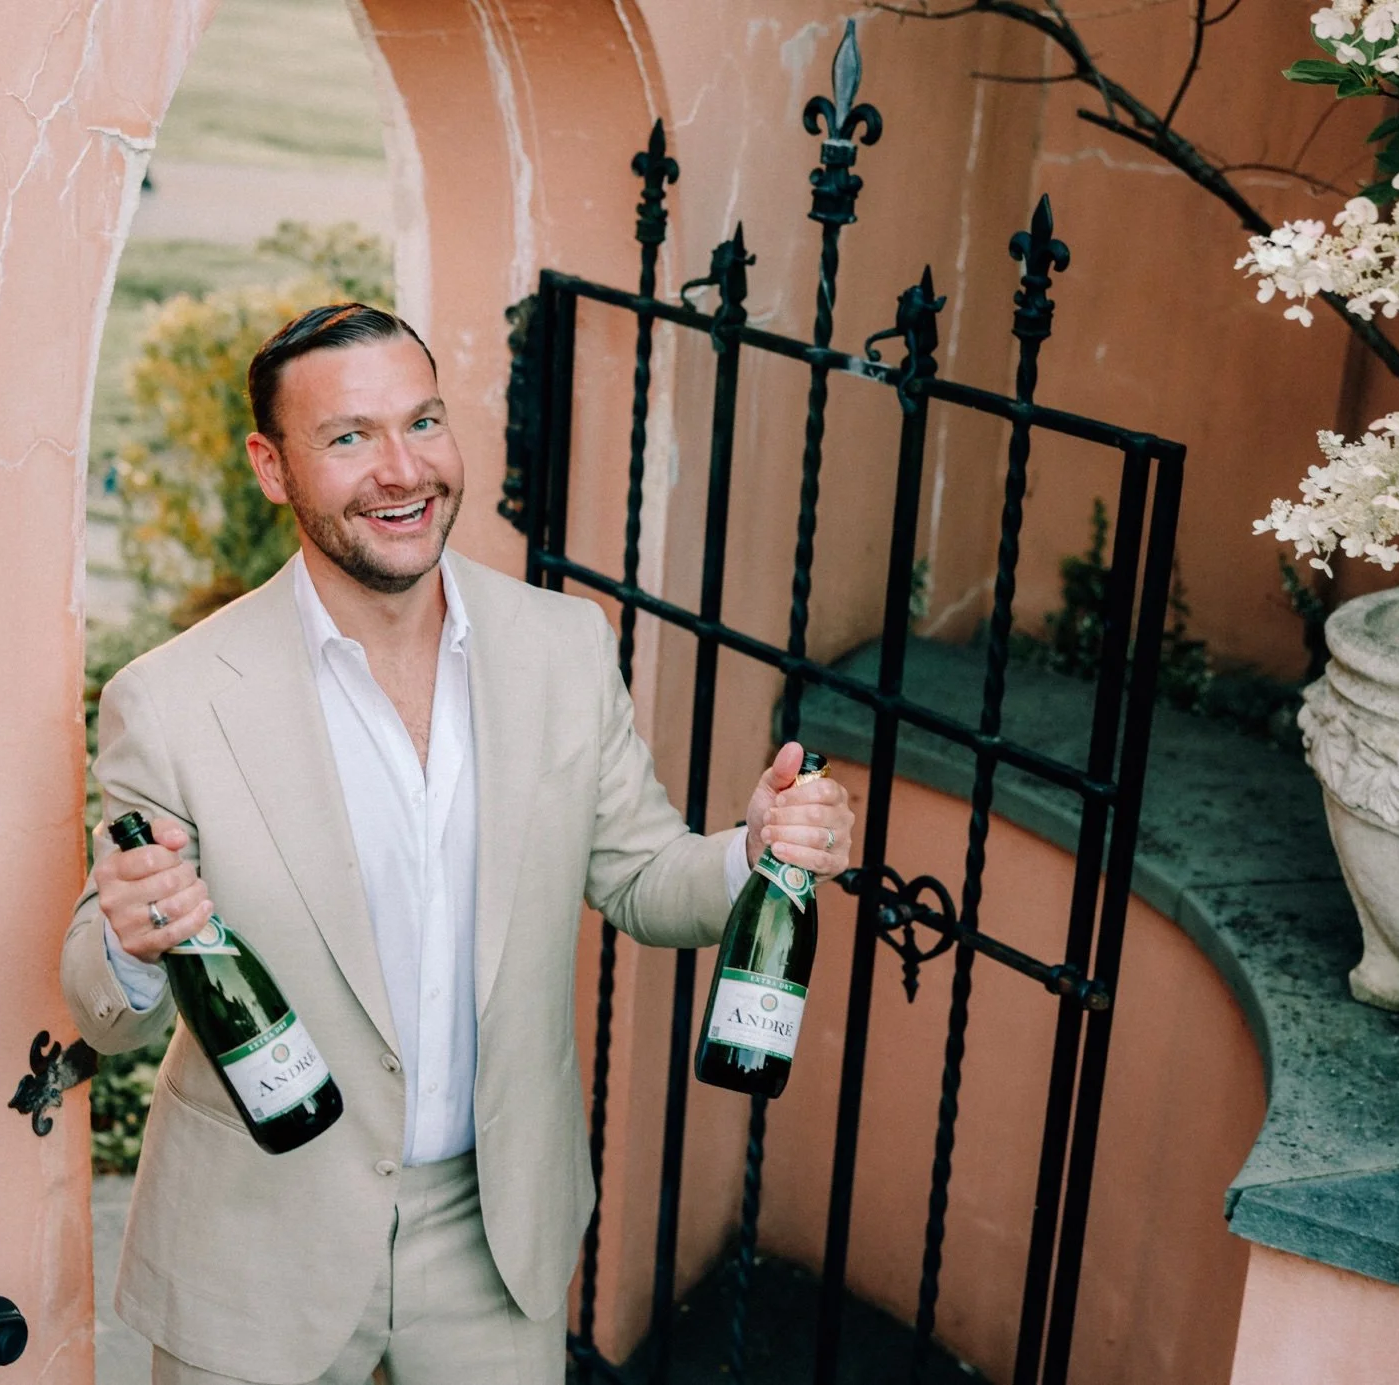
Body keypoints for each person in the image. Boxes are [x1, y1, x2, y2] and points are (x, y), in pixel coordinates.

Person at [61, 303, 856, 1385]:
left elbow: (638, 874)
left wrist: (752, 848)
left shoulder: (563, 646)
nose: (402, 470)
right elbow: (100, 1011)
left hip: (494, 1240)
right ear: (271, 465)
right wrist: (129, 936)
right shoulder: (174, 697)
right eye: (348, 437)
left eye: (423, 421)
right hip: (260, 1242)